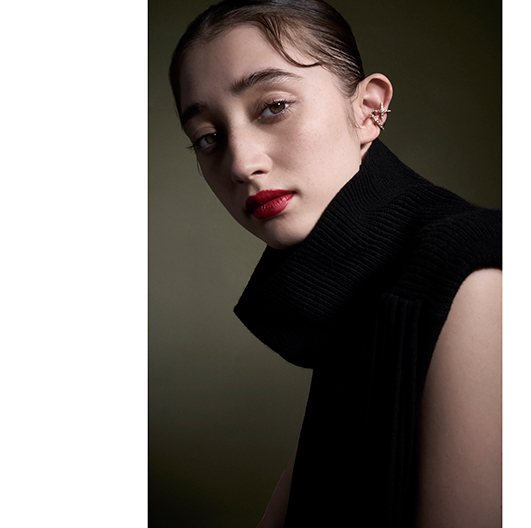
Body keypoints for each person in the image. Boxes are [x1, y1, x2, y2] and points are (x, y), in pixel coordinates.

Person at [169, 0, 502, 526]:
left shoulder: (472, 279)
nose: (241, 163)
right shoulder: (355, 296)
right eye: (208, 138)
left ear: (369, 109)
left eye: (273, 106)